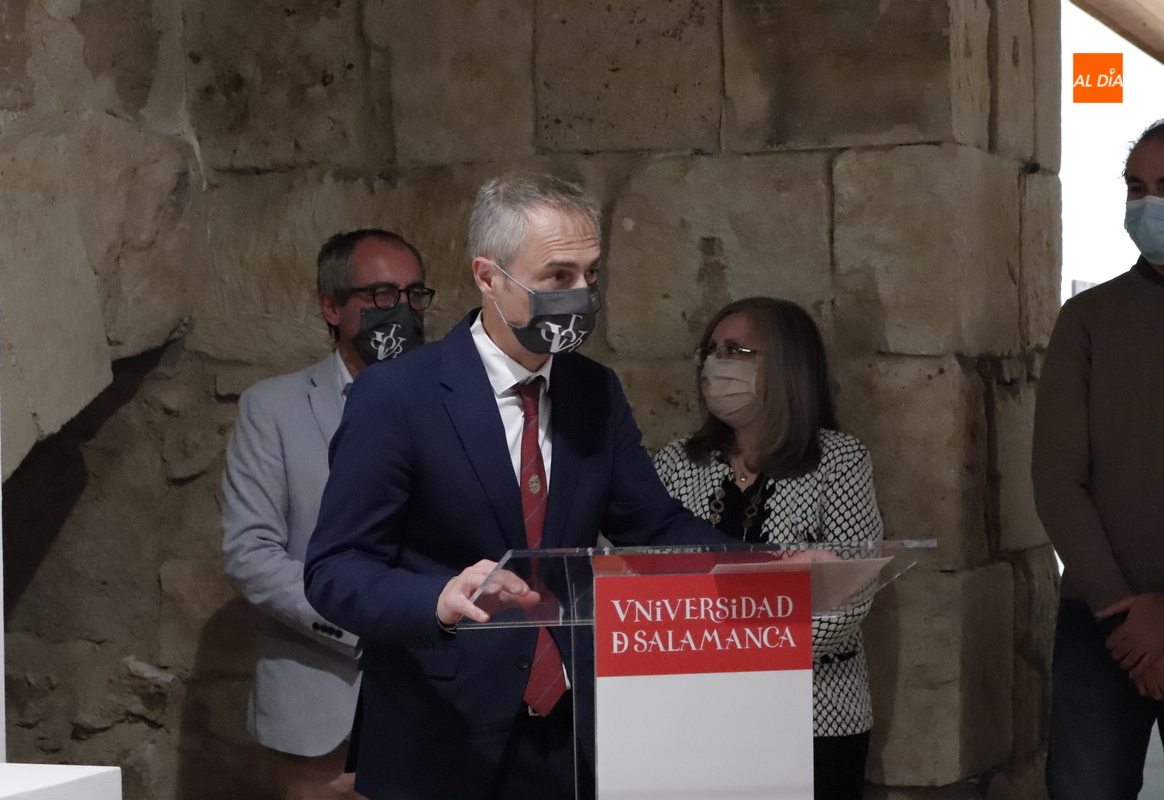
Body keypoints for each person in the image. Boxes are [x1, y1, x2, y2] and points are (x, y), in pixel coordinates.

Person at [303, 172, 732, 800]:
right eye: (558, 276)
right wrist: (439, 598)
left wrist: (772, 570)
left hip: (573, 729)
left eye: (590, 274)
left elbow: (653, 525)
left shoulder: (594, 390)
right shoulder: (397, 395)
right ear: (488, 277)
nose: (581, 294)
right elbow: (336, 568)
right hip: (441, 731)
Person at [222, 229, 434, 800]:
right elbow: (251, 554)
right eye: (381, 295)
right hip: (322, 700)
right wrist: (369, 620)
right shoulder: (273, 408)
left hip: (440, 695)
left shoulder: (456, 404)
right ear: (331, 307)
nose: (402, 309)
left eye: (414, 294)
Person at [653, 297, 883, 800]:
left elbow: (848, 591)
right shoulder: (677, 461)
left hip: (815, 715)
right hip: (698, 713)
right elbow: (651, 580)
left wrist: (747, 649)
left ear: (786, 365)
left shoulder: (839, 460)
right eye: (711, 350)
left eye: (736, 351)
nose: (716, 363)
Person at [1035, 119, 1164, 800]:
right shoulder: (1088, 318)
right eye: (1136, 188)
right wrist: (1123, 609)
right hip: (1103, 620)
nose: (1149, 204)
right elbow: (1057, 477)